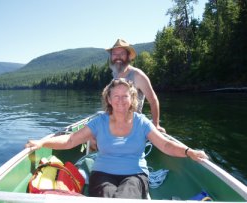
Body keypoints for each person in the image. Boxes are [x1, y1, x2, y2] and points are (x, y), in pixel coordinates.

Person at [25, 78, 209, 199]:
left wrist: (188, 152)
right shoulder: (99, 122)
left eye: (125, 96)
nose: (120, 100)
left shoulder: (142, 122)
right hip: (103, 173)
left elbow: (166, 145)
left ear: (132, 99)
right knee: (106, 196)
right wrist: (42, 142)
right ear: (109, 100)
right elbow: (70, 140)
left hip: (135, 174)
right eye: (116, 96)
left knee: (126, 197)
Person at [106, 39, 166, 133]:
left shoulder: (138, 75)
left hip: (132, 126)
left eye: (122, 53)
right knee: (92, 138)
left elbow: (153, 100)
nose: (118, 57)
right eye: (114, 54)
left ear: (128, 56)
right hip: (114, 121)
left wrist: (156, 125)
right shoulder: (115, 74)